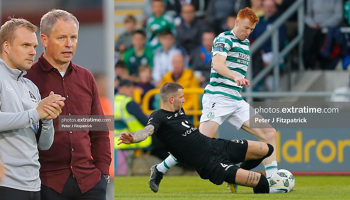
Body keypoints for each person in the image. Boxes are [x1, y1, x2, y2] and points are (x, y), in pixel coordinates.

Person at [150, 7, 278, 193]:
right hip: (218, 97)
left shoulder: (246, 43)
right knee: (197, 145)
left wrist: (235, 81)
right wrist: (234, 76)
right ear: (236, 22)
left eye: (251, 29)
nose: (248, 32)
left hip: (235, 99)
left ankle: (274, 181)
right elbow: (217, 64)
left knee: (269, 133)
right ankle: (160, 169)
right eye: (245, 28)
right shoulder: (223, 38)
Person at [118, 82, 289, 194]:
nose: (184, 100)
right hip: (211, 165)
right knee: (262, 184)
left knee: (267, 150)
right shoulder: (158, 117)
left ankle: (235, 175)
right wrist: (133, 139)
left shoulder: (179, 110)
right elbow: (147, 131)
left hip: (217, 145)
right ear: (171, 99)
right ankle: (234, 176)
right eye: (181, 97)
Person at [25, 9, 111, 200]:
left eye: (73, 37)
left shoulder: (87, 77)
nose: (69, 44)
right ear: (44, 40)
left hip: (89, 183)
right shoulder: (27, 79)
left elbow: (99, 130)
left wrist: (102, 174)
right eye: (62, 37)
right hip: (46, 184)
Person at [0, 18, 65, 200]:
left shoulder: (31, 86)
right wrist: (36, 113)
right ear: (6, 46)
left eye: (35, 47)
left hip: (33, 184)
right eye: (26, 45)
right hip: (5, 183)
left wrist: (46, 119)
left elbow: (44, 145)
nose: (33, 52)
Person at [303, 0, 343, 70]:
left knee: (328, 36)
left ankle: (325, 65)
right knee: (310, 39)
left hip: (330, 26)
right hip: (314, 26)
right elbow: (307, 16)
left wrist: (323, 25)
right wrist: (312, 24)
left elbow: (338, 16)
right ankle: (311, 65)